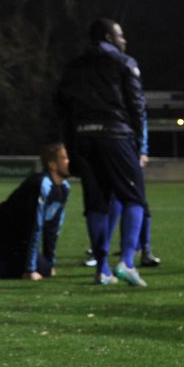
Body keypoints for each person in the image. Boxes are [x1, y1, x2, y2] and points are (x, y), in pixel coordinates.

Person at [54, 18, 150, 287]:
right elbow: (137, 105)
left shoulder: (72, 67)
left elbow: (61, 109)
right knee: (135, 198)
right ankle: (128, 262)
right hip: (115, 135)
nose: (124, 41)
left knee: (96, 204)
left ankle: (102, 269)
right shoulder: (124, 63)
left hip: (83, 137)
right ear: (109, 36)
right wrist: (138, 143)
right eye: (120, 36)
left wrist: (71, 146)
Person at [0, 143, 70, 279]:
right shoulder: (41, 185)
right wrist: (30, 270)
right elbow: (35, 227)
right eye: (65, 158)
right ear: (52, 164)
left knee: (43, 268)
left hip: (13, 240)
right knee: (23, 267)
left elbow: (52, 229)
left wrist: (50, 265)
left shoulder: (64, 188)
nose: (70, 161)